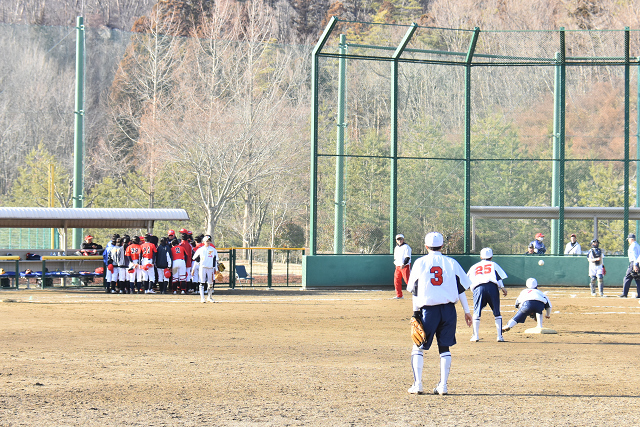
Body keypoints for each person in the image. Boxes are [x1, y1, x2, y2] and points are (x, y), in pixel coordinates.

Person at [406, 232, 472, 396]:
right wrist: (467, 311)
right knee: (445, 347)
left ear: (426, 246)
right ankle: (443, 386)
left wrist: (415, 313)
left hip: (428, 310)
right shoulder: (451, 262)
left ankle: (418, 384)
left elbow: (414, 290)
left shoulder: (420, 262)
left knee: (418, 346)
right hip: (449, 310)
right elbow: (461, 288)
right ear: (443, 246)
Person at [467, 247, 508, 342]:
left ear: (481, 256)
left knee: (477, 312)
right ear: (491, 257)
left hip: (478, 288)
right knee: (497, 313)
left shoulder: (474, 266)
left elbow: (468, 278)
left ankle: (475, 336)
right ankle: (499, 336)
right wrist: (502, 287)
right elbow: (498, 277)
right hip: (492, 287)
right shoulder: (494, 264)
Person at [193, 236, 218, 303]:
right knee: (202, 282)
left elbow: (215, 260)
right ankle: (202, 298)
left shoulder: (213, 249)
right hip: (203, 267)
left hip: (210, 268)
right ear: (203, 242)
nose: (208, 242)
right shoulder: (201, 249)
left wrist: (216, 269)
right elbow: (195, 259)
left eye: (209, 241)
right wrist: (193, 269)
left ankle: (209, 297)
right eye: (207, 241)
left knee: (210, 283)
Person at [620, 233, 640, 298]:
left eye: (628, 239)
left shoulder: (633, 246)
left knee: (627, 278)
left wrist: (635, 265)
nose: (628, 241)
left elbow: (635, 256)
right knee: (637, 278)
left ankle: (624, 293)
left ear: (631, 239)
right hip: (638, 263)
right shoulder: (637, 245)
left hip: (634, 263)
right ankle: (639, 294)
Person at [393, 234, 411, 299]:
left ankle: (418, 293)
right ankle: (399, 295)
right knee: (396, 281)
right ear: (396, 240)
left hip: (405, 266)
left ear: (403, 239)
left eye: (401, 239)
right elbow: (396, 258)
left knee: (408, 280)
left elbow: (407, 257)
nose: (399, 240)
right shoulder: (396, 248)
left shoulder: (406, 247)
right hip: (398, 266)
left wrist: (404, 264)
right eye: (398, 239)